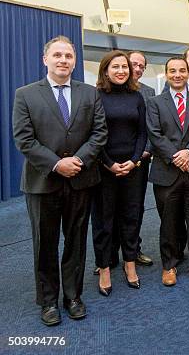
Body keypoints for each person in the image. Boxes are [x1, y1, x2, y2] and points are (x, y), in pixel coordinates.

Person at [12, 36, 107, 326]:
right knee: (45, 243)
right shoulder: (25, 94)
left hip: (80, 179)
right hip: (43, 182)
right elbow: (24, 139)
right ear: (46, 60)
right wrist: (56, 164)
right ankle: (49, 300)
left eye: (68, 55)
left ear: (75, 61)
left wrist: (76, 161)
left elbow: (99, 133)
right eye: (57, 55)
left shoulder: (90, 94)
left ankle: (73, 296)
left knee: (76, 242)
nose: (63, 60)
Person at [146, 57, 189, 287]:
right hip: (166, 171)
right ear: (166, 74)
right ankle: (169, 265)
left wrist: (188, 153)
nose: (177, 74)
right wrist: (177, 156)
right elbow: (155, 134)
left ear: (188, 73)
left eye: (182, 70)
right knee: (169, 222)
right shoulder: (155, 102)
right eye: (172, 71)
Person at [92, 50, 147, 296]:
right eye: (115, 67)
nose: (121, 71)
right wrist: (108, 163)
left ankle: (130, 263)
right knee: (104, 220)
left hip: (132, 168)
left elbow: (143, 133)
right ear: (106, 70)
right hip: (105, 168)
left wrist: (134, 161)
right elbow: (93, 132)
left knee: (131, 217)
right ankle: (104, 266)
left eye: (124, 67)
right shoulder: (96, 96)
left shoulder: (137, 97)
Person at [129, 51, 156, 266]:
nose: (137, 69)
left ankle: (133, 250)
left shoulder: (149, 92)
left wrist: (144, 152)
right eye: (133, 64)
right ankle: (107, 257)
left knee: (136, 207)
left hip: (140, 159)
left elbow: (151, 127)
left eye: (141, 66)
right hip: (110, 163)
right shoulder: (101, 92)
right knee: (109, 210)